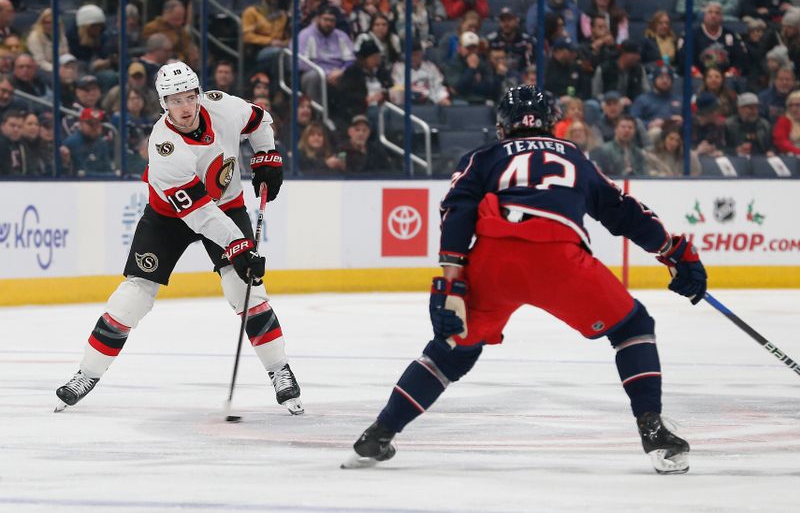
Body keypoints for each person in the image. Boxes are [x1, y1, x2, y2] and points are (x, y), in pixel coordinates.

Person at [342, 85, 705, 474]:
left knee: (452, 351)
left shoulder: (484, 156)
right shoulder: (575, 156)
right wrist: (673, 251)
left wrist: (449, 281)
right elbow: (623, 212)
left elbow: (457, 211)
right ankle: (651, 428)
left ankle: (380, 433)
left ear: (502, 127)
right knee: (633, 327)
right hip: (560, 258)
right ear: (551, 125)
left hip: (494, 260)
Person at [54, 62, 304, 415]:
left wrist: (267, 156)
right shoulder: (164, 147)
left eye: (190, 97)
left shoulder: (224, 107)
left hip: (227, 205)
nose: (185, 108)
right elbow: (200, 215)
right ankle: (86, 373)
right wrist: (240, 246)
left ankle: (280, 371)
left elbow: (260, 120)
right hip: (169, 217)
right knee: (132, 297)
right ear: (163, 104)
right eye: (175, 101)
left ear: (200, 95)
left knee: (245, 289)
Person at [724, 93, 774, 157]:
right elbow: (722, 148)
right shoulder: (729, 125)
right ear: (739, 109)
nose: (754, 111)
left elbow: (772, 145)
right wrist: (735, 150)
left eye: (756, 108)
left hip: (761, 160)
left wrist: (771, 151)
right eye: (750, 108)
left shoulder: (765, 125)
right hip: (737, 160)